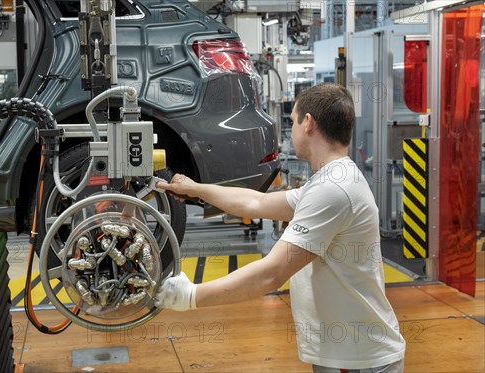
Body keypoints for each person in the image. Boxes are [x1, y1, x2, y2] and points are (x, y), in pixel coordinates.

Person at [154, 83, 406, 372]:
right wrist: (197, 189)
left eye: (292, 121)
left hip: (360, 359)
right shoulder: (332, 180)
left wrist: (190, 296)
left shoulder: (334, 189)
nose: (291, 130)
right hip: (346, 355)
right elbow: (256, 204)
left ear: (308, 123)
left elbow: (271, 274)